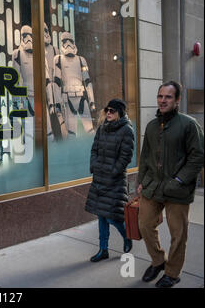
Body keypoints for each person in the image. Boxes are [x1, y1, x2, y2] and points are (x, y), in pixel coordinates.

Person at [137, 81, 204, 288]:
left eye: (167, 97)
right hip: (152, 186)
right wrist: (140, 182)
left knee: (178, 235)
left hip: (178, 189)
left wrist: (179, 180)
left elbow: (198, 156)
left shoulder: (189, 124)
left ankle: (173, 273)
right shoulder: (151, 126)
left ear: (177, 100)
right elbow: (145, 156)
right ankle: (158, 261)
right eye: (160, 96)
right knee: (145, 225)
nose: (162, 100)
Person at [85, 99, 135, 262]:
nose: (108, 113)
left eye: (112, 111)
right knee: (101, 215)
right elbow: (94, 149)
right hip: (99, 178)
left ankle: (127, 236)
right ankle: (103, 249)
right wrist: (94, 165)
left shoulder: (126, 130)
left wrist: (113, 172)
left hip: (114, 180)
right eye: (107, 110)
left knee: (113, 216)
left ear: (119, 113)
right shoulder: (102, 128)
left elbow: (126, 156)